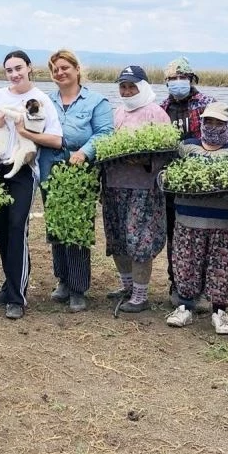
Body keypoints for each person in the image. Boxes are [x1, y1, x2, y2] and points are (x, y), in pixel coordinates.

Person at [0, 50, 62, 320]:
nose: (15, 74)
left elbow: (56, 139)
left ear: (29, 68)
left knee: (18, 228)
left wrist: (24, 132)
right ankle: (9, 285)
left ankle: (17, 297)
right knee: (2, 230)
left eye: (19, 68)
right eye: (9, 70)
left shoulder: (41, 100)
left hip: (24, 171)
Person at [39, 49, 113, 312]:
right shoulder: (45, 101)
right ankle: (63, 280)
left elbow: (105, 133)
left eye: (64, 67)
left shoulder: (96, 101)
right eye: (55, 70)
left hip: (81, 176)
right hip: (51, 173)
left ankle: (79, 288)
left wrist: (85, 152)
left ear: (77, 69)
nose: (60, 73)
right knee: (56, 228)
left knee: (78, 230)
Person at [165, 102, 228, 335]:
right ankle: (184, 307)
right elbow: (171, 171)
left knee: (223, 266)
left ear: (227, 124)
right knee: (186, 263)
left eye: (219, 122)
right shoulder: (187, 147)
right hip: (189, 218)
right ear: (201, 123)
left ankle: (219, 312)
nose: (213, 126)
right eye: (208, 121)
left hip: (225, 221)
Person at [102, 65, 171, 313]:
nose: (128, 91)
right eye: (123, 86)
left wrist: (144, 160)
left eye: (132, 86)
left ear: (143, 86)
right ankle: (127, 286)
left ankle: (141, 295)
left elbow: (168, 153)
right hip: (114, 186)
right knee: (118, 239)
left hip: (143, 188)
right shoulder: (117, 113)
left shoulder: (156, 113)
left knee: (140, 241)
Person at [160, 56, 216, 307]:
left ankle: (203, 287)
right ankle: (177, 283)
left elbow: (219, 139)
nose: (177, 82)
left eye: (182, 77)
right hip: (172, 183)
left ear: (192, 79)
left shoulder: (208, 105)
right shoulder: (162, 109)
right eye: (172, 79)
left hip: (200, 182)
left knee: (202, 234)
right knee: (175, 234)